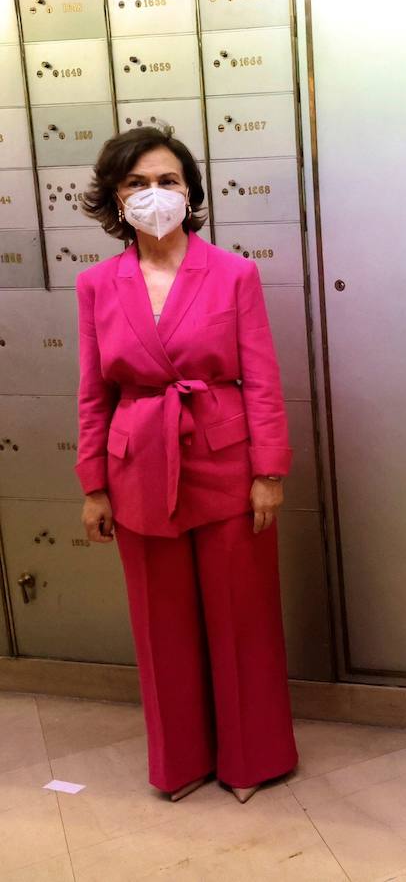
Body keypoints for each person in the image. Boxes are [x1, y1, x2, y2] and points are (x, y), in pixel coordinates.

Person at [75, 127, 297, 804]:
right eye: (136, 184)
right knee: (159, 622)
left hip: (226, 463)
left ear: (190, 192)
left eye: (167, 181)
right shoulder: (96, 284)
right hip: (137, 462)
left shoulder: (234, 272)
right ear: (115, 200)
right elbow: (92, 391)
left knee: (242, 617)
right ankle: (181, 761)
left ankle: (251, 758)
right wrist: (93, 485)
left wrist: (269, 471)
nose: (154, 195)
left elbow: (261, 379)